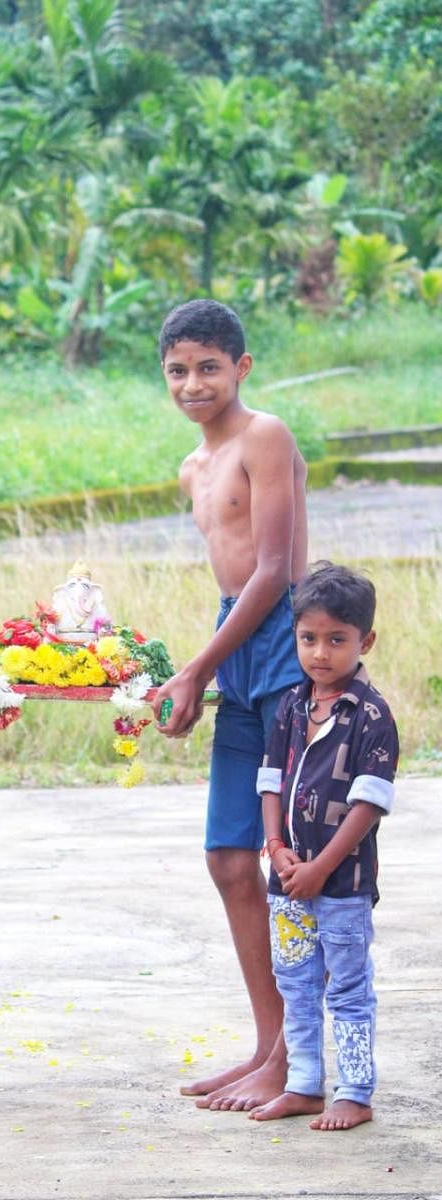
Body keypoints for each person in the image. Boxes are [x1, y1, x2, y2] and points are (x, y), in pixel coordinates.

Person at [151, 298, 308, 1111]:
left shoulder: (265, 437)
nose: (192, 383)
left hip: (284, 648)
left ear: (241, 368)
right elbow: (228, 582)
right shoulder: (192, 468)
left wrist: (194, 669)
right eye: (177, 370)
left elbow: (275, 568)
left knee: (289, 866)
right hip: (233, 644)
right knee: (225, 857)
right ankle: (266, 1047)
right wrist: (201, 676)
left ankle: (296, 1063)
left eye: (208, 367)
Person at [250, 561, 397, 1130]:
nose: (320, 653)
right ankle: (304, 1083)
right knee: (296, 983)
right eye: (308, 638)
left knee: (349, 988)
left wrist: (321, 868)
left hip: (342, 887)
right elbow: (269, 781)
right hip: (286, 883)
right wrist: (275, 846)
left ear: (366, 641)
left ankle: (355, 1091)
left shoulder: (372, 716)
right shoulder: (290, 707)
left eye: (337, 640)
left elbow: (368, 804)